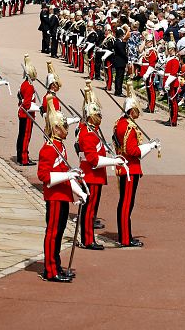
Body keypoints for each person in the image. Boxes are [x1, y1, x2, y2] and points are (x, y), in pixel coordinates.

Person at [37, 95, 86, 281]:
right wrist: (68, 175)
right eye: (64, 126)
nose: (67, 129)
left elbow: (65, 172)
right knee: (53, 233)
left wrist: (79, 192)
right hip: (55, 196)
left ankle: (55, 264)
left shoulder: (60, 146)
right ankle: (50, 270)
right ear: (56, 128)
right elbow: (44, 176)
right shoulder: (49, 148)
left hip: (64, 195)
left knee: (58, 233)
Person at [77, 84, 124, 249]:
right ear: (90, 117)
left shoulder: (91, 130)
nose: (100, 117)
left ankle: (87, 238)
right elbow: (94, 160)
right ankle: (87, 239)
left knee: (91, 208)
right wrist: (114, 161)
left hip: (94, 176)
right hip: (91, 176)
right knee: (89, 209)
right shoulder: (88, 134)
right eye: (97, 114)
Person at [113, 92, 160, 247]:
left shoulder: (119, 123)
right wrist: (150, 146)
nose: (137, 114)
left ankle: (124, 234)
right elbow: (134, 152)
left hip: (124, 167)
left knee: (124, 203)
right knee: (127, 204)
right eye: (136, 111)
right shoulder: (129, 127)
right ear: (131, 110)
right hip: (130, 168)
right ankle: (125, 238)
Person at [16, 55, 39, 166]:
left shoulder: (24, 84)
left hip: (22, 113)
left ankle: (20, 155)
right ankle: (24, 158)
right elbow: (27, 104)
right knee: (25, 136)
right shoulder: (29, 86)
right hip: (27, 115)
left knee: (21, 135)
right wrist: (39, 109)